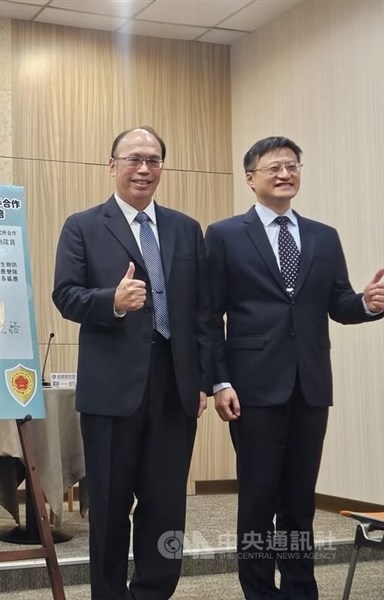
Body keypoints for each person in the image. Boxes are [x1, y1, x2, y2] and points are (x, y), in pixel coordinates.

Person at [205, 136, 384, 599]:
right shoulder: (224, 235)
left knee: (300, 499)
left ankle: (301, 591)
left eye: (292, 165)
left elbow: (338, 303)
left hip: (310, 386)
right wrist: (219, 380)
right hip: (252, 388)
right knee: (259, 499)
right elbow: (208, 316)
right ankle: (261, 592)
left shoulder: (324, 236)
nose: (285, 174)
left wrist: (367, 303)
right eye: (274, 167)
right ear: (250, 179)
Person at [53, 127, 211, 599]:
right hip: (111, 389)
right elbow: (66, 295)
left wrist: (202, 378)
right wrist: (114, 301)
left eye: (154, 160)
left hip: (175, 384)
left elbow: (201, 311)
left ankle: (154, 592)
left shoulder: (186, 228)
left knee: (165, 505)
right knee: (108, 503)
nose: (144, 169)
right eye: (134, 159)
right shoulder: (82, 225)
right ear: (112, 164)